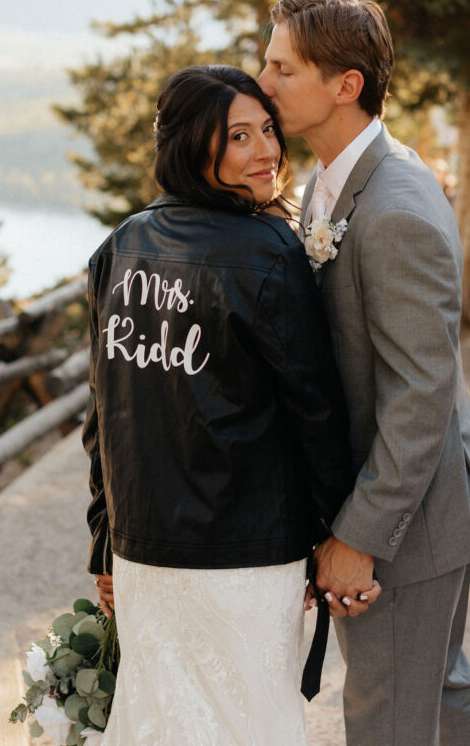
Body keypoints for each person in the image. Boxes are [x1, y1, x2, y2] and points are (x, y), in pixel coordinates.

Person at [82, 64, 369, 746]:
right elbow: (316, 414)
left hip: (143, 553)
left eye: (266, 129)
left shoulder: (119, 247)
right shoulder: (271, 254)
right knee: (249, 723)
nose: (265, 150)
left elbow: (99, 418)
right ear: (191, 147)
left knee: (161, 724)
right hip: (246, 552)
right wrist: (332, 531)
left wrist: (103, 540)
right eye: (237, 137)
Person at [258, 0, 470, 746]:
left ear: (344, 85)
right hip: (421, 506)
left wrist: (358, 535)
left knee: (386, 716)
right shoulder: (337, 182)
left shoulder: (392, 207)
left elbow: (419, 394)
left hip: (408, 518)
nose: (262, 82)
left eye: (280, 68)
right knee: (437, 691)